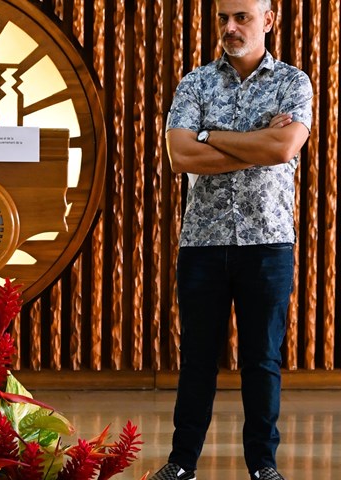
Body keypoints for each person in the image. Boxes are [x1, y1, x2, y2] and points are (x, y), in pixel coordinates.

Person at [153, 1, 313, 480]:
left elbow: (283, 147)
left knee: (262, 360)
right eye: (224, 17)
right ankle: (182, 463)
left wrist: (209, 135)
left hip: (268, 242)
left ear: (268, 20)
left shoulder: (293, 83)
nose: (230, 27)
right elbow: (180, 155)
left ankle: (263, 466)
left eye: (242, 17)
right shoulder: (196, 82)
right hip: (202, 242)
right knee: (197, 360)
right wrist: (255, 142)